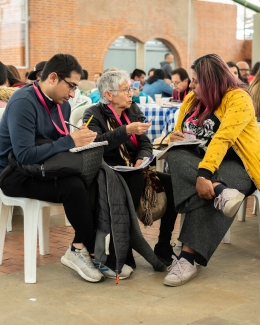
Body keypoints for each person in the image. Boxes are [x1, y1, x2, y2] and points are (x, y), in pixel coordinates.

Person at [0, 53, 106, 283]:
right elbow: (24, 155)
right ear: (53, 77)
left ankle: (83, 247)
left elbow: (54, 148)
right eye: (71, 86)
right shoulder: (23, 102)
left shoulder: (62, 106)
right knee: (74, 186)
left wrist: (82, 143)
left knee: (96, 176)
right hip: (13, 173)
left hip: (42, 168)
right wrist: (71, 141)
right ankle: (81, 249)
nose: (72, 94)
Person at [164, 53, 259, 287]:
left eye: (196, 81)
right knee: (176, 153)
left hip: (238, 164)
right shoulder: (191, 101)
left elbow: (223, 139)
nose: (192, 85)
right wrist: (172, 138)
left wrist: (204, 175)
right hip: (197, 161)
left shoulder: (238, 98)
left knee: (203, 189)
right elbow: (178, 134)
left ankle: (187, 259)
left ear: (211, 80)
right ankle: (220, 192)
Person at [83, 70, 178, 267]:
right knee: (134, 181)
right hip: (108, 172)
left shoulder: (132, 110)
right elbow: (97, 144)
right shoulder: (93, 114)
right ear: (108, 95)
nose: (131, 94)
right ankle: (123, 251)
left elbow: (145, 143)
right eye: (126, 90)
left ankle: (163, 245)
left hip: (134, 169)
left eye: (131, 89)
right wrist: (126, 130)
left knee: (172, 183)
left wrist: (142, 158)